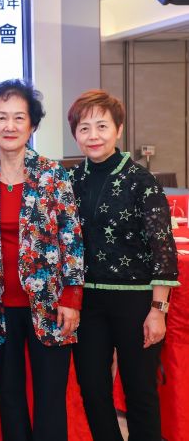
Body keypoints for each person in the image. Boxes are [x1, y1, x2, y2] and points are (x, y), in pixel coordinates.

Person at [0, 79, 84, 441]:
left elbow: (72, 238)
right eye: (1, 117)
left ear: (32, 124)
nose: (10, 125)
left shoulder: (53, 174)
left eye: (19, 117)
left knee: (50, 398)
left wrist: (71, 297)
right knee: (10, 397)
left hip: (50, 304)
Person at [67, 90, 179, 441]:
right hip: (87, 302)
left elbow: (163, 249)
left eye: (102, 126)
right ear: (75, 134)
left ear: (118, 129)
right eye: (84, 128)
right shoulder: (71, 180)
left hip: (136, 301)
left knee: (140, 390)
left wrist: (158, 310)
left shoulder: (141, 181)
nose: (93, 135)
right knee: (92, 388)